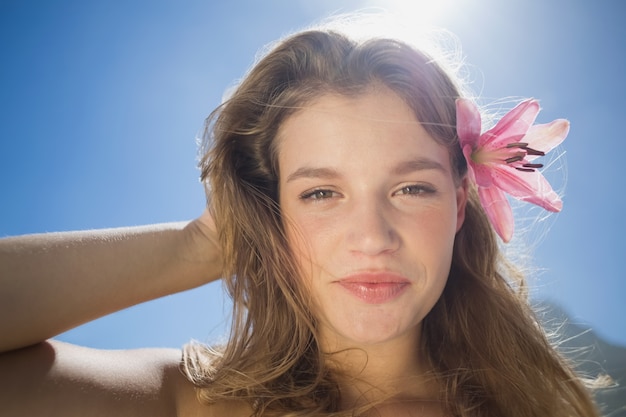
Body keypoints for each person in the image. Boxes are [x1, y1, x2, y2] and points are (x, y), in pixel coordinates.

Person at [0, 17, 603, 417]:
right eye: (320, 193)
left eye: (413, 187)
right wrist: (205, 243)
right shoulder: (189, 403)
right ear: (273, 210)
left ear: (459, 205)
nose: (372, 238)